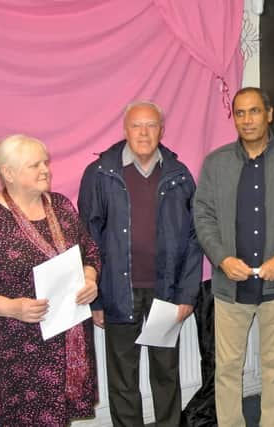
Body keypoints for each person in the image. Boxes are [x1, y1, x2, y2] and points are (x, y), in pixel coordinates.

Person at [193, 87, 274, 427]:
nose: (247, 120)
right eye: (240, 113)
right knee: (227, 370)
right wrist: (222, 258)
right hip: (230, 286)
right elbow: (202, 216)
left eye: (254, 112)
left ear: (269, 114)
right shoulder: (216, 163)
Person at [0, 134, 100, 426]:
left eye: (45, 163)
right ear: (8, 173)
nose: (45, 170)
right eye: (34, 165)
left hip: (57, 346)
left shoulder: (60, 207)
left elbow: (90, 252)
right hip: (1, 354)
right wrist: (12, 308)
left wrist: (89, 278)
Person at [78, 101, 202, 427]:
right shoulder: (100, 174)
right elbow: (88, 238)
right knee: (123, 380)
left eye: (151, 126)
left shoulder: (179, 175)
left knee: (166, 373)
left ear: (162, 130)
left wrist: (187, 294)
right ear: (125, 130)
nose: (144, 133)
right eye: (136, 125)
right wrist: (97, 299)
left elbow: (194, 238)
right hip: (118, 292)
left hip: (166, 292)